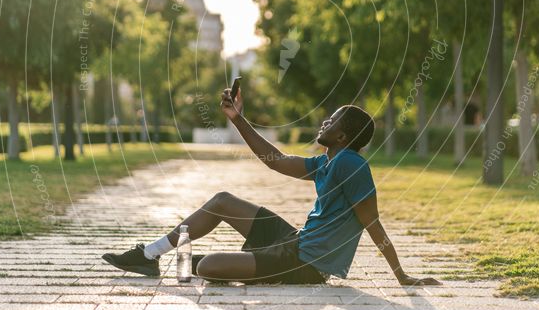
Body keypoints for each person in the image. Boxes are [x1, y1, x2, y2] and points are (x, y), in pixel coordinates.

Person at [102, 85, 441, 286]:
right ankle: (149, 255)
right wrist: (237, 118)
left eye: (333, 119)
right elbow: (275, 160)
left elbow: (372, 223)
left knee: (206, 267)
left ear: (343, 135)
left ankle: (195, 261)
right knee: (222, 200)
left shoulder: (351, 164)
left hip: (306, 263)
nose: (325, 120)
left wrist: (402, 276)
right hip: (295, 241)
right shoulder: (327, 162)